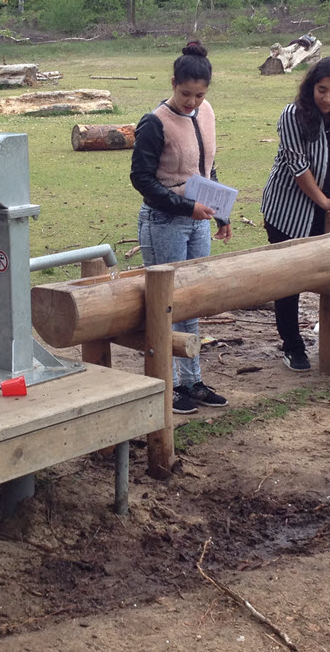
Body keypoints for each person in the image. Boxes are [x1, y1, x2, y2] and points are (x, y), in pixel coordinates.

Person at [130, 41, 232, 415]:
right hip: (164, 222)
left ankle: (191, 380)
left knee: (192, 303)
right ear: (173, 83)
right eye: (185, 93)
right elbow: (142, 179)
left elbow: (206, 168)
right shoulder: (154, 122)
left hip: (197, 220)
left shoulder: (206, 114)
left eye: (199, 95)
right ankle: (166, 384)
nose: (191, 102)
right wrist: (187, 207)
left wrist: (220, 212)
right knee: (164, 307)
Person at [260, 56, 330, 372]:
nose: (326, 98)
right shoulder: (293, 116)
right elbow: (298, 168)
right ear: (311, 87)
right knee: (289, 279)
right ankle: (292, 346)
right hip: (288, 210)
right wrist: (325, 202)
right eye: (321, 90)